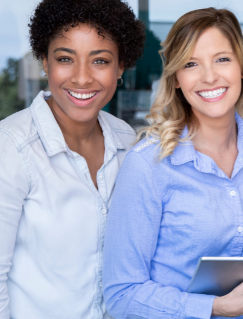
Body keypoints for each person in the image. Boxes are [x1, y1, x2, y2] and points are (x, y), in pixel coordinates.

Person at [102, 8, 243, 319]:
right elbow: (121, 294)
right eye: (191, 64)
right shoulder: (148, 164)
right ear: (175, 79)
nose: (210, 76)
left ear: (242, 66)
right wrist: (217, 308)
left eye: (222, 59)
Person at [0, 0, 145, 318]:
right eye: (65, 58)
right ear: (44, 62)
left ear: (120, 67)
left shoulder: (126, 141)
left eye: (101, 61)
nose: (82, 78)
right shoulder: (11, 148)